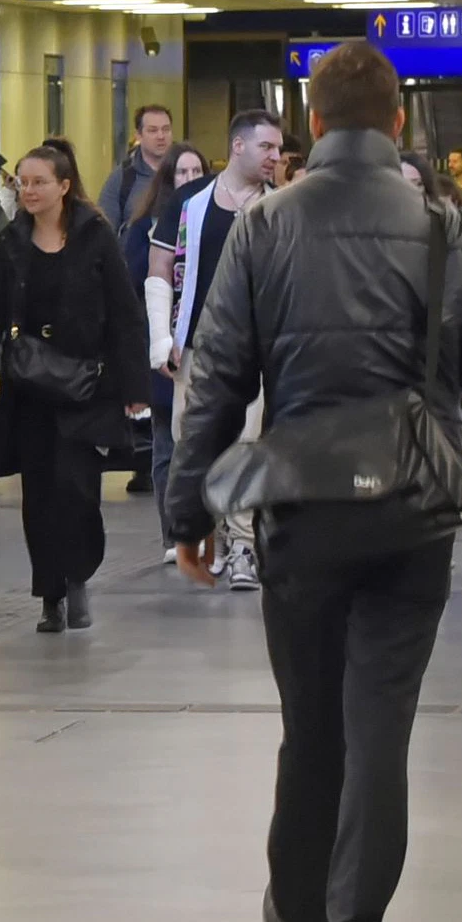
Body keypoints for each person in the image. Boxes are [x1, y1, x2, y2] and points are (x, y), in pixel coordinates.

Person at [165, 42, 462, 922]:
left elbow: (219, 375)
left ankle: (299, 904)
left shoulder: (267, 226)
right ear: (397, 122)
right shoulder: (448, 228)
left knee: (311, 723)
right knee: (380, 731)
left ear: (311, 126)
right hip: (412, 515)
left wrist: (188, 508)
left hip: (302, 512)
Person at [0, 142, 148, 634]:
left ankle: (79, 575)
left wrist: (133, 385)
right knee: (39, 493)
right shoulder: (10, 244)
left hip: (86, 383)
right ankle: (50, 594)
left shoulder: (95, 237)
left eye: (40, 182)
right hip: (30, 387)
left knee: (77, 488)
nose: (29, 190)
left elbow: (125, 315)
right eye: (23, 182)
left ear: (64, 186)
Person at [166, 110, 289, 588]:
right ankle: (212, 537)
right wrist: (166, 335)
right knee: (192, 442)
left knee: (245, 445)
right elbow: (167, 267)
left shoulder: (280, 207)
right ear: (238, 146)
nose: (275, 157)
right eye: (267, 148)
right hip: (197, 347)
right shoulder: (193, 205)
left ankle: (243, 547)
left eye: (278, 150)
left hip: (255, 352)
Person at [125, 143, 206, 501]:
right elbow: (136, 278)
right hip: (163, 341)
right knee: (166, 442)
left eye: (197, 172)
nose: (190, 179)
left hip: (204, 342)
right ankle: (171, 528)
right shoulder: (146, 225)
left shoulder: (216, 217)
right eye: (182, 173)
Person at [100, 102, 181, 235]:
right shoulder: (123, 177)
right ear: (138, 135)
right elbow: (105, 232)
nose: (161, 136)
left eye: (166, 129)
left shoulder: (188, 171)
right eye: (153, 130)